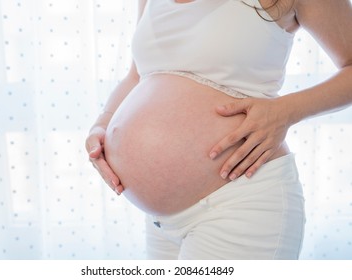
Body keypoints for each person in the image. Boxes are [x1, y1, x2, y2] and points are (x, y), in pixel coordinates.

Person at [85, 0, 352, 259]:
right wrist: (103, 123)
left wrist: (287, 110)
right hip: (160, 222)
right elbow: (138, 75)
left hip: (242, 202)